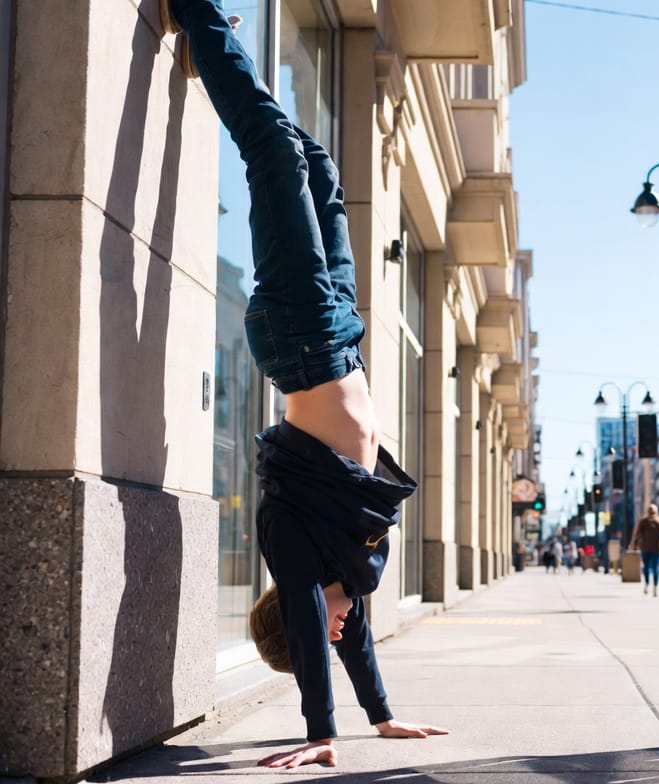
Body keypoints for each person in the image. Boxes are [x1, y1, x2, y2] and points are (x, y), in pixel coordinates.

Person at [158, 0, 448, 768]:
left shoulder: (294, 541)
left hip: (301, 337)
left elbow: (315, 625)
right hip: (338, 336)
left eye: (319, 627)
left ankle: (196, 17)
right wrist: (380, 717)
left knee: (272, 152)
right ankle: (214, 56)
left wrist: (321, 733)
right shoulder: (353, 571)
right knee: (317, 165)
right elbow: (355, 643)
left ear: (304, 618)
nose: (341, 631)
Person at [631, 504, 659, 597]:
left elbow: (637, 534)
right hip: (656, 548)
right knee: (655, 568)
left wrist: (634, 545)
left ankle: (647, 584)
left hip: (645, 547)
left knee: (646, 568)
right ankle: (655, 586)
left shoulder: (643, 521)